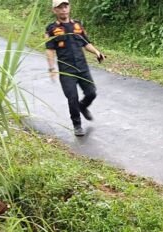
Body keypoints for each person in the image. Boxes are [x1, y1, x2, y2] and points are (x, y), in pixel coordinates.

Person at [45, 0, 105, 137]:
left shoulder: (77, 25)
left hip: (82, 67)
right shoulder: (52, 29)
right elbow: (49, 50)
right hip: (66, 70)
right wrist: (51, 68)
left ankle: (82, 106)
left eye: (65, 6)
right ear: (54, 10)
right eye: (60, 7)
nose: (63, 9)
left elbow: (86, 43)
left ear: (69, 7)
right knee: (72, 98)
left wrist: (97, 52)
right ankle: (77, 125)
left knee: (91, 93)